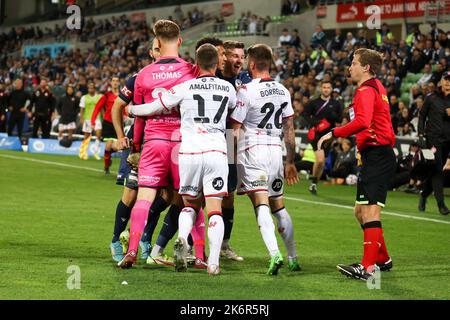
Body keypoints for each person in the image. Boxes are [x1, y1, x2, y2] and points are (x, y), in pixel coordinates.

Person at [128, 44, 237, 275]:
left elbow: (155, 106)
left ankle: (181, 239)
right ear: (217, 63)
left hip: (188, 152)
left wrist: (132, 111)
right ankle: (214, 262)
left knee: (189, 204)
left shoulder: (185, 86)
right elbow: (234, 117)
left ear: (195, 64)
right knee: (214, 209)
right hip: (216, 152)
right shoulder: (228, 89)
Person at [118, 19, 200, 269]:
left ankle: (132, 251)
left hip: (153, 142)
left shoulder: (143, 74)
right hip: (181, 144)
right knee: (191, 200)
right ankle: (197, 254)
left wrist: (136, 147)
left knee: (143, 198)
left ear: (157, 42)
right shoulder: (191, 70)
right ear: (180, 41)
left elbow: (140, 116)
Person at [318, 48, 396, 281]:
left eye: (353, 63)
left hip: (378, 156)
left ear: (366, 68)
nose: (349, 67)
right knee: (359, 211)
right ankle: (382, 258)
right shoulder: (377, 87)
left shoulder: (365, 90)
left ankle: (367, 267)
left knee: (370, 210)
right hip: (375, 155)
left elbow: (363, 121)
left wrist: (334, 133)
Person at [230, 44, 301, 275]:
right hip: (275, 151)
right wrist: (290, 161)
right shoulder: (282, 90)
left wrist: (230, 159)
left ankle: (274, 254)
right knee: (278, 205)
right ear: (269, 63)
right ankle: (293, 257)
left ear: (251, 65)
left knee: (260, 203)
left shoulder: (246, 91)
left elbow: (236, 129)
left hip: (253, 152)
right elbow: (289, 127)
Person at [217, 40, 252, 262]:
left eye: (242, 56)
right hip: (210, 138)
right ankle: (193, 245)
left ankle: (224, 245)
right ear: (225, 57)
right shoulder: (215, 77)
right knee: (202, 195)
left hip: (230, 140)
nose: (239, 60)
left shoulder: (245, 80)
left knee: (229, 196)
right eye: (235, 56)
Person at [417, 71, 450, 215]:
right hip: (433, 140)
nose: (448, 82)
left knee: (436, 172)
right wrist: (420, 134)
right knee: (437, 170)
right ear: (441, 82)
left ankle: (424, 195)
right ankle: (441, 204)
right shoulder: (431, 97)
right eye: (446, 79)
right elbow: (422, 115)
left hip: (448, 141)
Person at [303, 80, 342, 195]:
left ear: (331, 89)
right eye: (324, 87)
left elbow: (339, 119)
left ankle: (314, 184)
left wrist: (333, 116)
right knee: (319, 160)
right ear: (321, 88)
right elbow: (304, 114)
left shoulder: (336, 103)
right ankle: (313, 183)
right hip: (316, 134)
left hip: (329, 136)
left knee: (322, 162)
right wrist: (315, 123)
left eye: (328, 87)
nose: (326, 89)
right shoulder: (314, 102)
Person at [91, 76, 121, 174]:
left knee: (118, 147)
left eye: (117, 81)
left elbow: (125, 108)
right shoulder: (107, 95)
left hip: (119, 123)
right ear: (111, 83)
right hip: (108, 123)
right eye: (113, 81)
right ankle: (106, 166)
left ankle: (108, 158)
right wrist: (92, 121)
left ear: (119, 83)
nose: (115, 83)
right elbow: (97, 108)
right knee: (108, 146)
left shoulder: (123, 95)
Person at [79, 82, 102, 160]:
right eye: (89, 88)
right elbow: (82, 109)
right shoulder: (84, 97)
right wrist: (81, 118)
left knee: (98, 135)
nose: (90, 89)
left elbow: (101, 109)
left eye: (92, 88)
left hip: (97, 118)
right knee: (87, 136)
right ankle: (83, 152)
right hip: (87, 119)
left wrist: (103, 118)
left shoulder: (99, 97)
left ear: (94, 89)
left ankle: (95, 152)